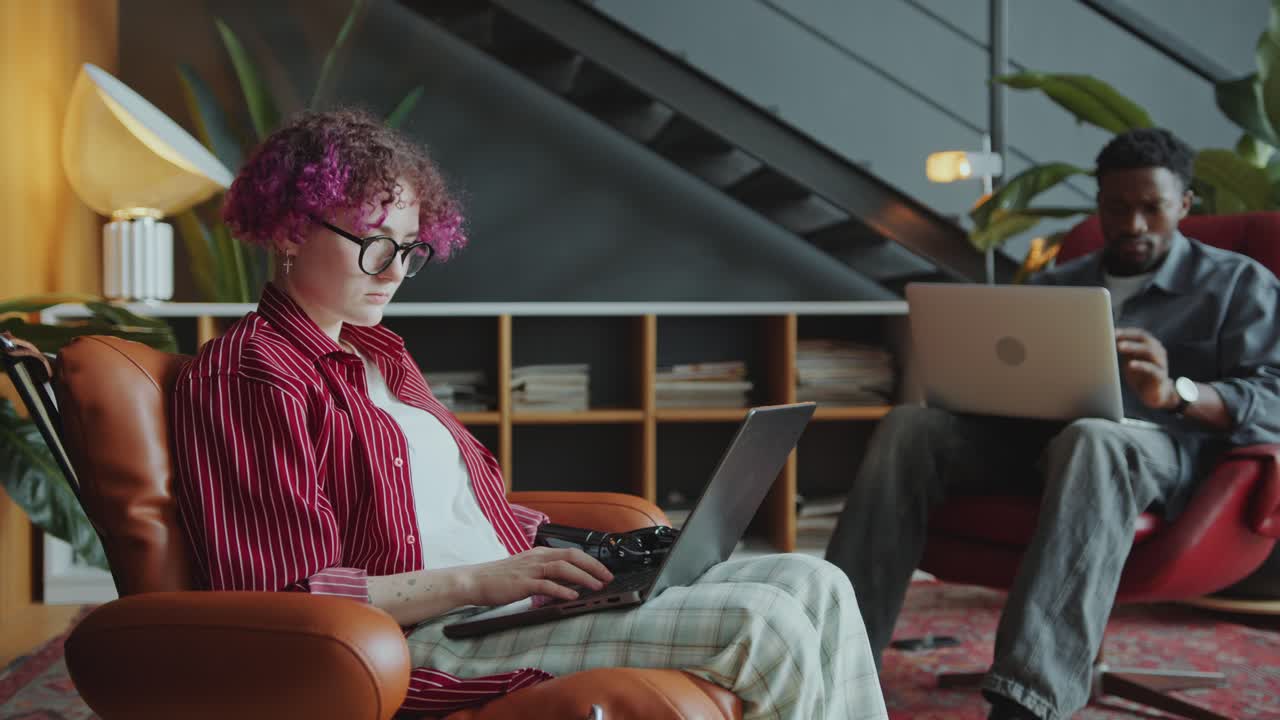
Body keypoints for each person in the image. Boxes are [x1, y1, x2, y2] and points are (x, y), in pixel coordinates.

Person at [170, 107, 888, 720]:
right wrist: (487, 581)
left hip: (502, 604)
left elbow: (456, 515)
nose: (394, 272)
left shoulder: (380, 356)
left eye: (410, 250)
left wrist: (606, 554)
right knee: (763, 626)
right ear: (293, 229)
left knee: (816, 583)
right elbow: (288, 600)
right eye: (374, 245)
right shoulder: (251, 375)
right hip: (429, 636)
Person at [825, 126, 1280, 720]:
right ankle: (835, 659)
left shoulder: (1238, 284)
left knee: (1095, 439)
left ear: (1185, 205)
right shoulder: (1057, 284)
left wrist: (1176, 392)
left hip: (1169, 457)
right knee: (911, 427)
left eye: (1153, 208)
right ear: (1099, 204)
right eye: (1118, 208)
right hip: (1042, 444)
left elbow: (1273, 396)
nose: (1134, 224)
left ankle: (1026, 702)